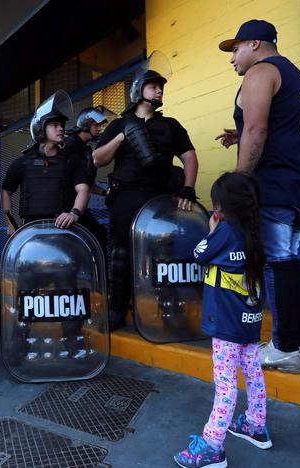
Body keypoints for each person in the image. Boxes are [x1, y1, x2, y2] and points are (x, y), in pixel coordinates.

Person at [216, 20, 300, 373]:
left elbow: (258, 128)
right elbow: (267, 126)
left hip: (272, 184)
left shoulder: (261, 72)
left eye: (236, 49)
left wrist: (240, 183)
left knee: (276, 261)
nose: (232, 59)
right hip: (298, 182)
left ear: (255, 44)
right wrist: (238, 133)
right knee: (288, 259)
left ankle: (285, 346)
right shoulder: (295, 75)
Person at [93, 53, 199, 330]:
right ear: (138, 91)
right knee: (120, 254)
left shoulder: (170, 125)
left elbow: (189, 157)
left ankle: (169, 310)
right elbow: (98, 160)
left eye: (161, 86)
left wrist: (188, 188)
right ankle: (117, 310)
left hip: (158, 198)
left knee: (164, 255)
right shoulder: (118, 124)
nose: (159, 90)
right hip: (126, 195)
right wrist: (122, 134)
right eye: (153, 86)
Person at [174, 172, 270, 468]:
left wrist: (212, 229)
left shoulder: (226, 231)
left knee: (226, 384)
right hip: (249, 320)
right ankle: (255, 425)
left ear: (222, 208)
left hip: (226, 325)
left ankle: (213, 445)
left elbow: (199, 254)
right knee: (253, 373)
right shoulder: (256, 231)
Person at [1, 91, 90, 233]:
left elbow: (83, 189)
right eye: (54, 125)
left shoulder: (70, 160)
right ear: (40, 128)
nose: (61, 128)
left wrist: (74, 213)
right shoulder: (23, 162)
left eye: (61, 124)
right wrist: (10, 223)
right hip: (30, 230)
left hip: (63, 228)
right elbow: (6, 191)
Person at [61, 106, 111, 254]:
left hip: (78, 207)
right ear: (85, 124)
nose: (99, 128)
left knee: (99, 234)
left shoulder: (85, 149)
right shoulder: (68, 145)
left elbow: (85, 181)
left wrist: (105, 192)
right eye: (96, 125)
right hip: (66, 207)